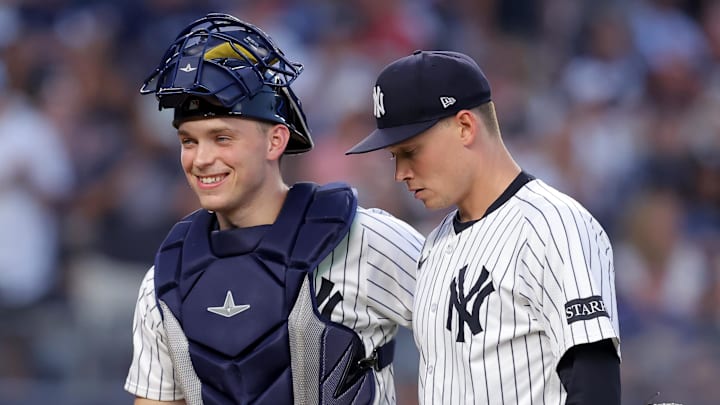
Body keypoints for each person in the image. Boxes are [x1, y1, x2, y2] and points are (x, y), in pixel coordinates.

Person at [124, 13, 424, 405]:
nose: (201, 159)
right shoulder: (166, 280)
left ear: (275, 141)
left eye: (221, 137)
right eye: (189, 141)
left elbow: (480, 343)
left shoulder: (363, 238)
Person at [346, 50, 621, 405]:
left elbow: (595, 388)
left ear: (465, 126)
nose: (400, 173)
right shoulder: (435, 244)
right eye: (394, 156)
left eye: (411, 151)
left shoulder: (554, 225)